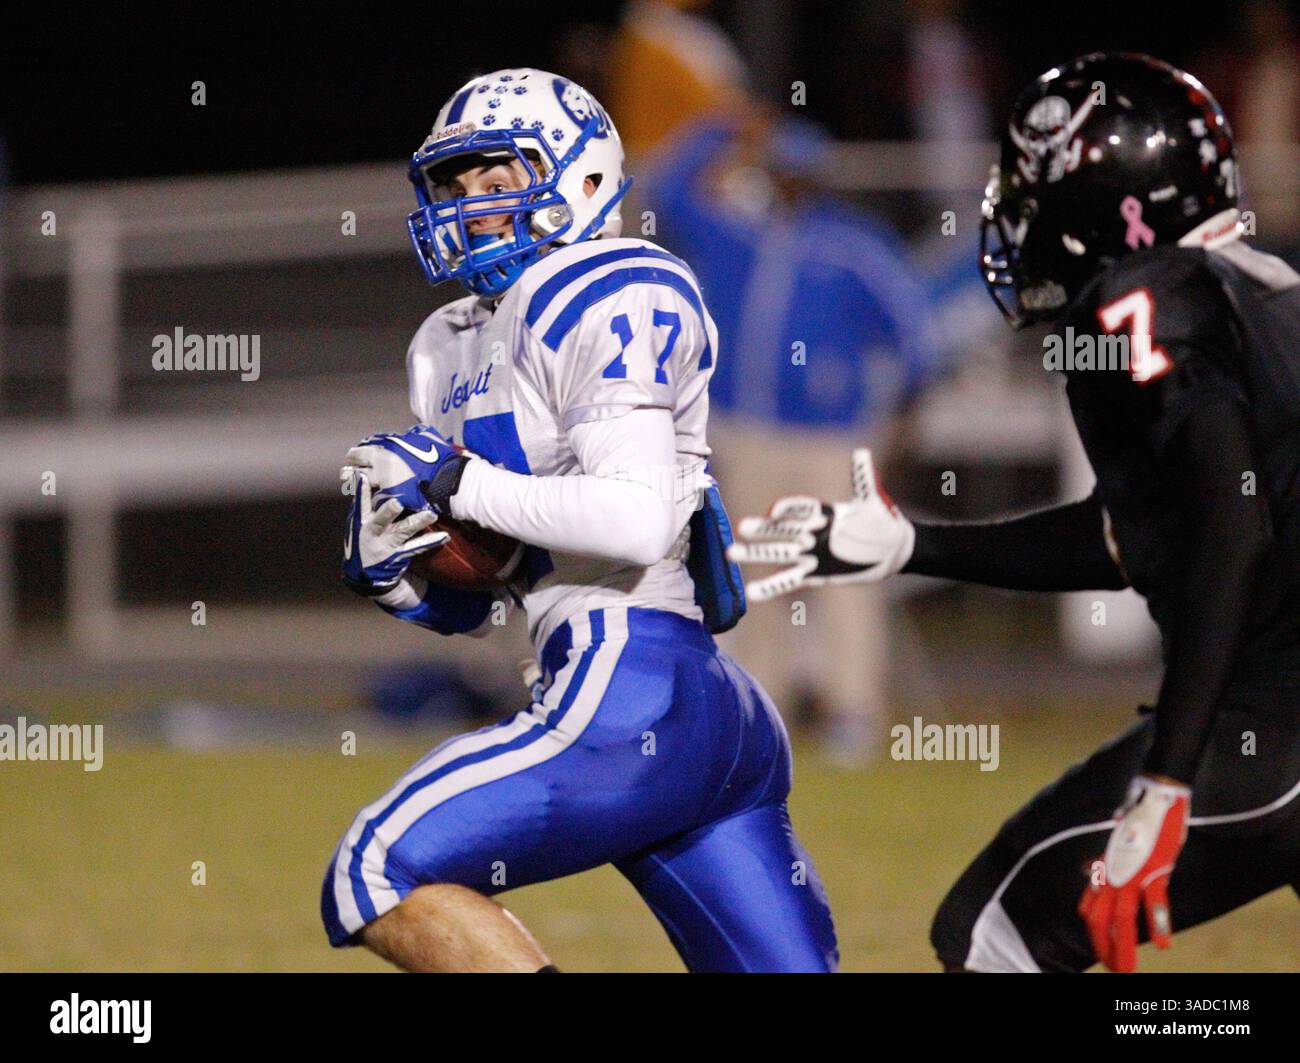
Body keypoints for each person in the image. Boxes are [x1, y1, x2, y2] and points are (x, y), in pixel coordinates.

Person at [729, 53, 1300, 972]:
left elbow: (1233, 538)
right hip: (1272, 721)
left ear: (1113, 197)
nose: (1017, 215)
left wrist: (1167, 778)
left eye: (1037, 187)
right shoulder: (1267, 293)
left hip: (1270, 727)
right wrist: (917, 540)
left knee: (992, 934)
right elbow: (1135, 536)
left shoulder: (1147, 298)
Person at [319, 68, 838, 973]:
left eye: (498, 180)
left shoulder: (603, 284)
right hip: (685, 708)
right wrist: (400, 569)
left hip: (636, 684)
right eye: (456, 184)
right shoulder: (448, 344)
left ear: (582, 179)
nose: (471, 206)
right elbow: (486, 589)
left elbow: (633, 521)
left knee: (374, 869)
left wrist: (452, 481)